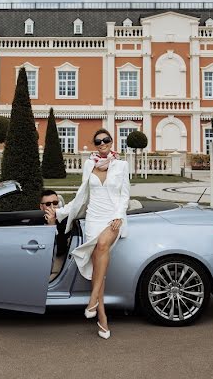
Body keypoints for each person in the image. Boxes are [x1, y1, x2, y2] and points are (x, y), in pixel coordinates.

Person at [53, 128, 130, 340]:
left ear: (112, 141)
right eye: (98, 141)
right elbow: (82, 195)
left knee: (103, 245)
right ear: (95, 144)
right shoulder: (89, 164)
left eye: (106, 140)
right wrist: (60, 212)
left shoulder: (121, 165)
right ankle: (102, 318)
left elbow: (125, 195)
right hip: (93, 219)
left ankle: (93, 299)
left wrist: (118, 216)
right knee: (99, 266)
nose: (102, 143)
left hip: (112, 218)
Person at [40, 190, 71, 279]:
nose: (52, 206)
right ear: (41, 207)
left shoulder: (65, 222)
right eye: (48, 204)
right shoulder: (36, 222)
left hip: (57, 266)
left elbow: (60, 249)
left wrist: (52, 226)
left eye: (55, 203)